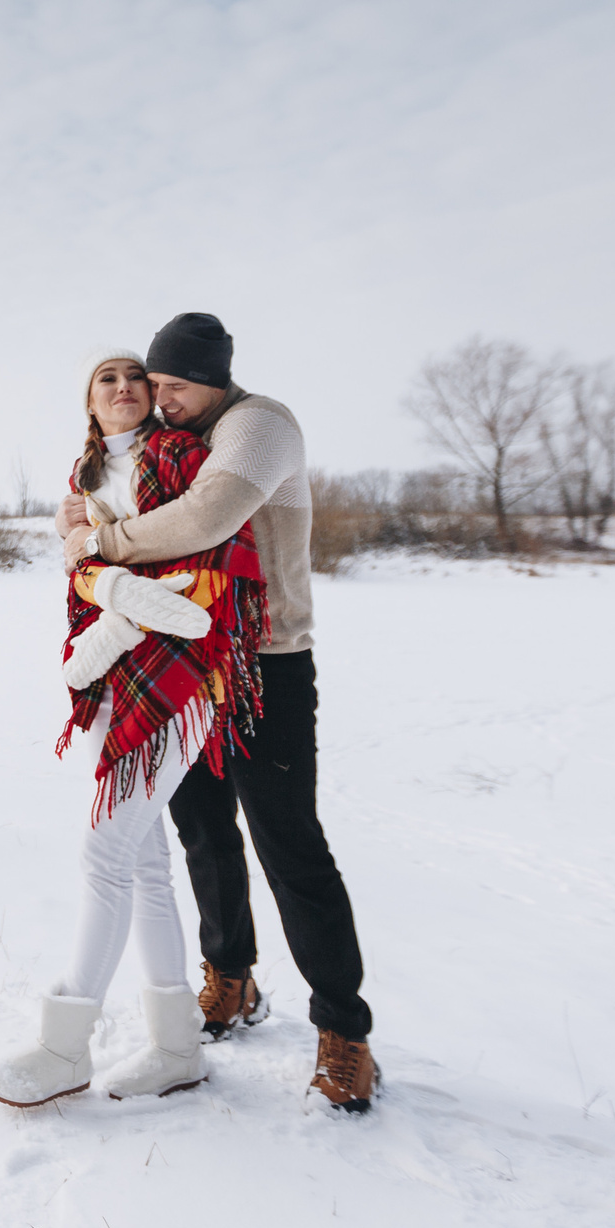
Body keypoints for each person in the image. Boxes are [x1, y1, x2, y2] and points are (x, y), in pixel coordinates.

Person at [59, 312, 380, 1114]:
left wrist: (101, 541)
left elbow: (206, 519)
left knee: (287, 840)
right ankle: (229, 979)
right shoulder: (176, 441)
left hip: (266, 662)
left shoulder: (258, 425)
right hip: (190, 664)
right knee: (201, 830)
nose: (159, 399)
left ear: (216, 378)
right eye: (152, 383)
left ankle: (345, 1032)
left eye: (174, 385)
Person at [0, 350, 269, 1109]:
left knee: (105, 851)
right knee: (142, 859)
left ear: (152, 397)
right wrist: (95, 581)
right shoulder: (83, 482)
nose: (121, 387)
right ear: (89, 400)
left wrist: (104, 573)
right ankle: (177, 1049)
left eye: (134, 378)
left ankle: (62, 1046)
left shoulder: (183, 459)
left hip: (179, 673)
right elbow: (84, 578)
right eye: (105, 379)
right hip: (118, 675)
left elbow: (209, 559)